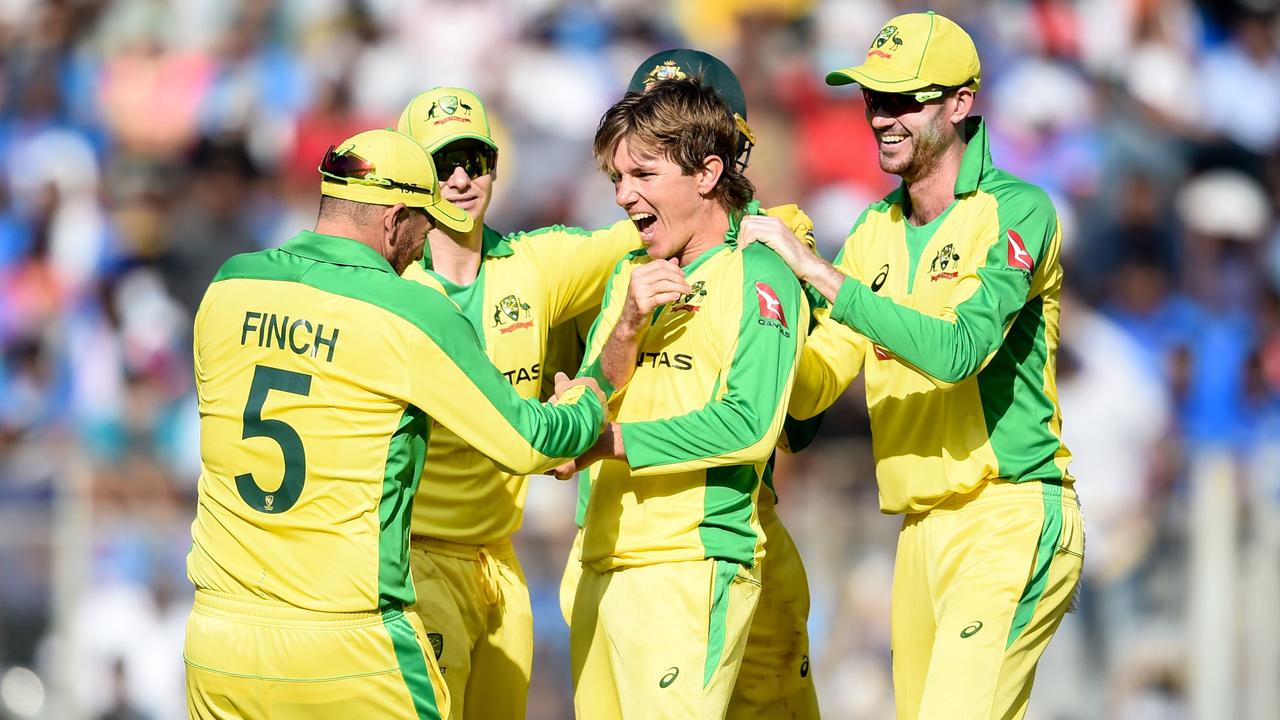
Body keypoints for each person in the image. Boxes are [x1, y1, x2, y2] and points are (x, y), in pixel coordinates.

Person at [183, 128, 606, 720]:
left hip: (220, 638)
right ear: (393, 219)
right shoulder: (406, 309)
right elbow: (532, 443)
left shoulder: (230, 285)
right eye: (423, 225)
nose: (427, 241)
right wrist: (591, 394)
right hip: (350, 641)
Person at [738, 11, 1084, 719]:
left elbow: (958, 353)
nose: (881, 118)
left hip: (1008, 513)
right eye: (872, 100)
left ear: (960, 103)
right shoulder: (874, 232)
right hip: (918, 533)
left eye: (903, 100)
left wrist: (821, 274)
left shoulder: (1017, 212)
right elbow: (811, 391)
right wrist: (759, 310)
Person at [555, 49, 822, 720]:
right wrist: (619, 339)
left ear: (710, 171)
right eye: (617, 176)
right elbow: (589, 392)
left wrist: (610, 440)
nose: (622, 196)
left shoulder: (761, 271)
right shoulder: (626, 276)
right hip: (597, 559)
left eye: (642, 173)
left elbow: (754, 425)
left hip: (689, 565)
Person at [392, 86, 640, 720]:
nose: (458, 179)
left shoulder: (534, 264)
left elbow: (646, 234)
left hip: (501, 563)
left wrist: (763, 217)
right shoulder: (389, 286)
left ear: (494, 168)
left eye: (473, 160)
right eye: (440, 165)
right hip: (412, 563)